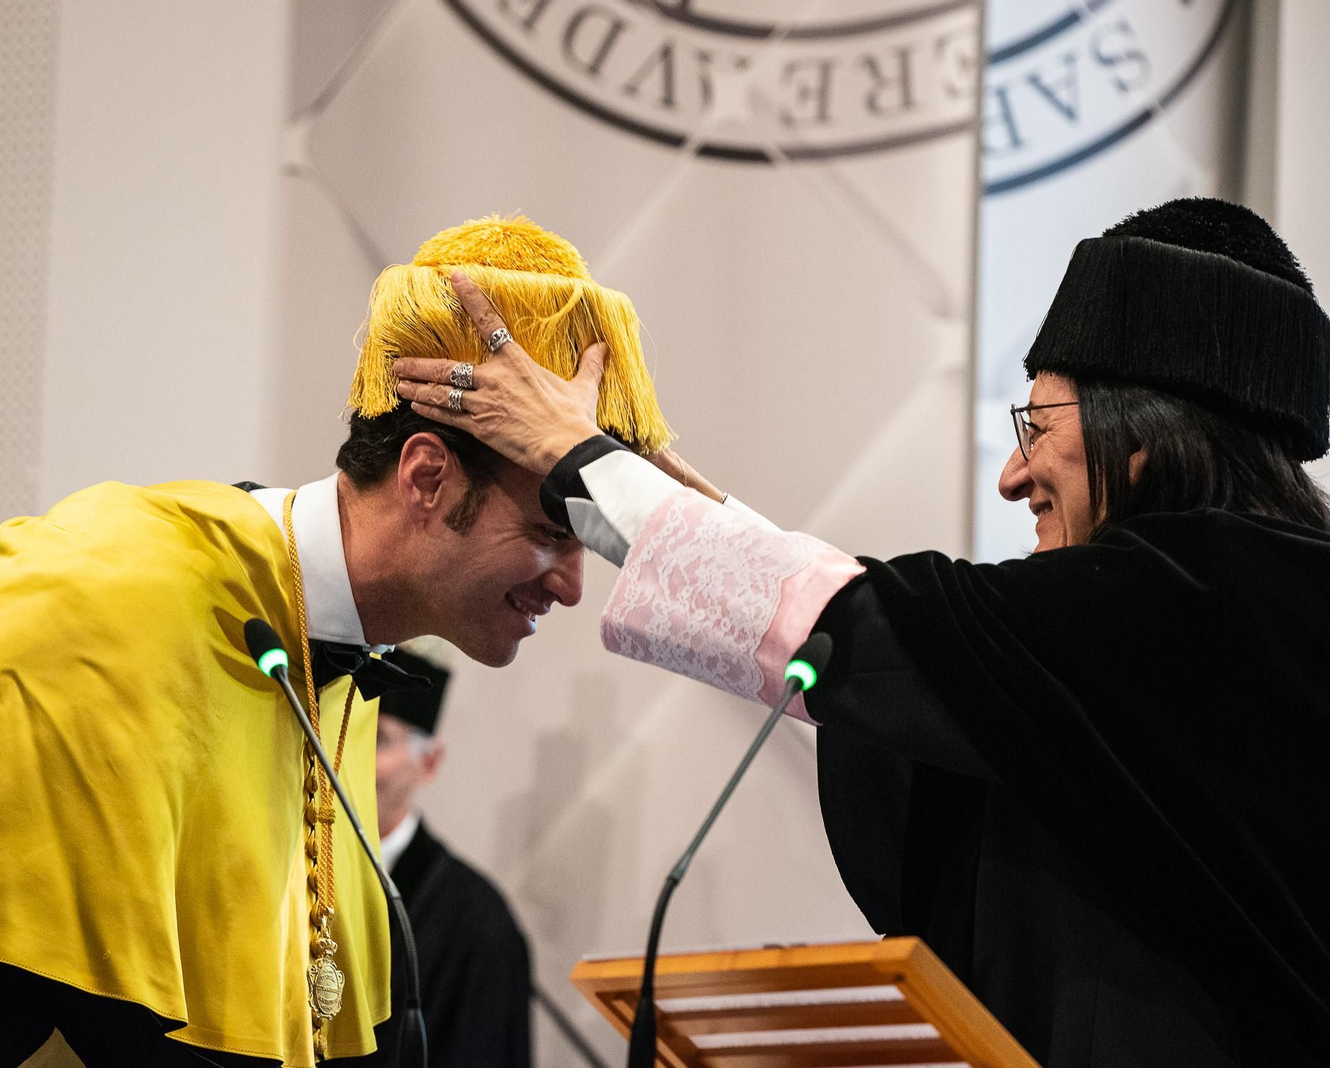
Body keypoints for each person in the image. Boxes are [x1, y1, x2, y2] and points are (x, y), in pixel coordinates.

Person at [391, 198, 1330, 1066]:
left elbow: (884, 637)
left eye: (1037, 424)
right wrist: (664, 503)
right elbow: (927, 659)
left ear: (1144, 433)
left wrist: (574, 462)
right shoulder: (1222, 616)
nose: (1013, 475)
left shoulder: (1201, 603)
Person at [0, 215, 670, 1068]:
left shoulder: (332, 661)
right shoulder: (115, 591)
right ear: (426, 477)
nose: (574, 584)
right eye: (552, 533)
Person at [367, 647, 532, 1068]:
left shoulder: (478, 924)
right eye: (344, 735)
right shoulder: (289, 875)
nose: (348, 759)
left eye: (378, 739)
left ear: (429, 762)